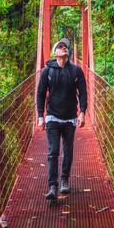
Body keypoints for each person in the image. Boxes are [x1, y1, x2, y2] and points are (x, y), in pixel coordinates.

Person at [36, 38, 87, 200]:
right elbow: (40, 93)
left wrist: (82, 112)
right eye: (60, 46)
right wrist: (40, 116)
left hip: (70, 117)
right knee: (53, 152)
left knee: (68, 151)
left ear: (68, 52)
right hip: (52, 117)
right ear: (55, 53)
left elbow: (83, 92)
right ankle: (52, 186)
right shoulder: (47, 72)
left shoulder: (76, 71)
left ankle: (64, 180)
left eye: (65, 46)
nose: (63, 47)